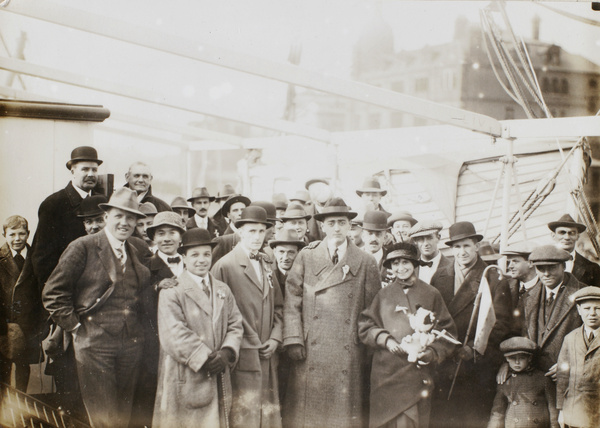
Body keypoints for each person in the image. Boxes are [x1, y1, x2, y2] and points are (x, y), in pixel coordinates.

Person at [42, 187, 151, 428]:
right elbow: (53, 293)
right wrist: (77, 328)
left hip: (131, 345)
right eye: (119, 216)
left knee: (124, 415)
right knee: (104, 418)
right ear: (106, 218)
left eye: (130, 217)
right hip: (94, 344)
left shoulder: (135, 251)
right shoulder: (83, 246)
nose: (124, 222)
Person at [283, 198, 381, 428]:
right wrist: (294, 339)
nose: (337, 227)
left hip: (347, 352)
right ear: (323, 226)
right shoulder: (307, 256)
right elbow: (292, 299)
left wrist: (359, 345)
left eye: (342, 222)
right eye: (331, 223)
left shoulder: (366, 261)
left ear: (350, 226)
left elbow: (371, 311)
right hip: (309, 351)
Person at [359, 242, 457, 428]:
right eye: (395, 263)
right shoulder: (383, 295)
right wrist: (385, 340)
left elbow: (448, 332)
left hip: (416, 375)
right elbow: (365, 326)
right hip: (386, 375)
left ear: (414, 264)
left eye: (405, 262)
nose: (400, 268)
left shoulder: (431, 293)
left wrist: (431, 354)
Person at [153, 228, 243, 428]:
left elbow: (235, 323)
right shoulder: (172, 291)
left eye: (206, 254)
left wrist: (227, 352)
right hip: (186, 373)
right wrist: (204, 358)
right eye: (194, 255)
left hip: (218, 370)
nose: (201, 260)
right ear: (183, 257)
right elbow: (173, 333)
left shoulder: (222, 289)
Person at [429, 221, 512, 428]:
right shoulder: (439, 277)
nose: (462, 252)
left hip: (475, 365)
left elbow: (501, 323)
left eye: (467, 246)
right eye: (457, 247)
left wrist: (474, 347)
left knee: (471, 418)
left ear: (476, 245)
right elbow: (432, 315)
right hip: (444, 362)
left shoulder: (492, 278)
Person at [211, 206, 283, 428]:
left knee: (267, 416)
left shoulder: (267, 263)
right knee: (244, 417)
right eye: (251, 231)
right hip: (241, 356)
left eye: (261, 231)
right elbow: (217, 317)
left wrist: (275, 338)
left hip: (267, 353)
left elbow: (279, 306)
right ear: (240, 231)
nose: (257, 237)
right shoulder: (225, 265)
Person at [131, 211, 185, 428]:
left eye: (172, 232)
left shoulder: (193, 263)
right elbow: (133, 300)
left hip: (187, 344)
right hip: (155, 345)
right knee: (153, 400)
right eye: (160, 233)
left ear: (181, 236)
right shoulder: (143, 266)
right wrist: (156, 287)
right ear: (153, 238)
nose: (166, 238)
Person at [522, 245, 583, 375]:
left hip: (570, 376)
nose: (546, 274)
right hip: (535, 377)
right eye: (540, 268)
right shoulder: (527, 297)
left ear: (564, 267)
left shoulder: (583, 295)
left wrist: (570, 362)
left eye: (552, 267)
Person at [268, 228, 306, 406]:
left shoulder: (305, 277)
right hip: (273, 344)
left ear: (298, 253)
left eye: (291, 252)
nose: (286, 257)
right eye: (281, 252)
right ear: (274, 252)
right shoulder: (268, 276)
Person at [488, 337, 558, 428]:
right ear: (507, 359)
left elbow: (553, 411)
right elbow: (497, 413)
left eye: (521, 358)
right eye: (512, 358)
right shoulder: (505, 381)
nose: (517, 362)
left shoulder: (543, 379)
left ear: (529, 358)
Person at [556, 286, 600, 428]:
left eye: (598, 308)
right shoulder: (570, 338)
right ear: (579, 310)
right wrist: (561, 410)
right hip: (575, 410)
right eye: (587, 308)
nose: (592, 313)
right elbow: (563, 376)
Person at [0, 215, 32, 390]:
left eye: (21, 234)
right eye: (12, 234)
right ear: (4, 234)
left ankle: (22, 410)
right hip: (3, 326)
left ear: (28, 234)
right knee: (3, 369)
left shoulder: (36, 258)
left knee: (23, 367)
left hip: (28, 325)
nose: (17, 239)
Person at [548, 213, 600, 287]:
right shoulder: (542, 265)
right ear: (553, 236)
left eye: (571, 233)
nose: (566, 237)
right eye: (562, 232)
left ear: (577, 237)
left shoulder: (592, 268)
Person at [500, 243, 537, 336]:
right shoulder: (506, 286)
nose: (510, 266)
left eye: (515, 261)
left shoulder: (546, 289)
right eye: (509, 262)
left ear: (531, 263)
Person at [304, 178, 332, 243]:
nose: (317, 193)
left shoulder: (339, 209)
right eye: (313, 191)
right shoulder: (305, 213)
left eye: (321, 190)